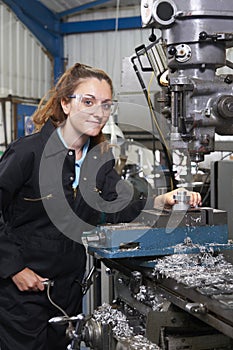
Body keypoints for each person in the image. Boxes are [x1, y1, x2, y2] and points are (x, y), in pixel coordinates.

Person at [0, 62, 202, 350]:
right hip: (22, 291)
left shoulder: (99, 160)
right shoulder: (28, 152)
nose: (98, 112)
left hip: (67, 289)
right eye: (88, 101)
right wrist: (14, 268)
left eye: (106, 104)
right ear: (66, 105)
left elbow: (120, 204)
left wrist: (162, 200)